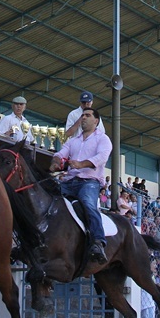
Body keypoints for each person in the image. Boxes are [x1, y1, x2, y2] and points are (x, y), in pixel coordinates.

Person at [49, 107, 112, 263]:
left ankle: (98, 241)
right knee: (49, 200)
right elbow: (60, 153)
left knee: (88, 203)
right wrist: (55, 162)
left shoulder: (103, 139)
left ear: (96, 121)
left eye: (87, 115)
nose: (83, 118)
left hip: (89, 181)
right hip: (68, 181)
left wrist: (80, 164)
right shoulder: (73, 141)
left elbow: (101, 158)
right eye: (83, 115)